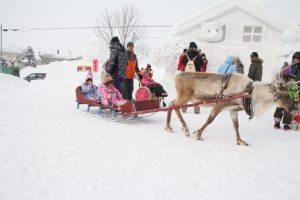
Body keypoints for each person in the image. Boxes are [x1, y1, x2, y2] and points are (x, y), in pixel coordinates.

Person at [181, 42, 203, 114]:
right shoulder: (199, 56)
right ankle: (196, 109)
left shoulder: (186, 55)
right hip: (196, 78)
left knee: (186, 92)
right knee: (195, 93)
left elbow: (183, 63)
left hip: (187, 77)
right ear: (196, 47)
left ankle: (184, 108)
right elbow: (202, 64)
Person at [273, 62, 294, 130]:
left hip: (279, 98)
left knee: (278, 109)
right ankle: (286, 125)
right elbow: (294, 90)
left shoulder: (278, 79)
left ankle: (276, 123)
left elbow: (275, 88)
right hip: (288, 99)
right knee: (287, 110)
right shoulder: (291, 80)